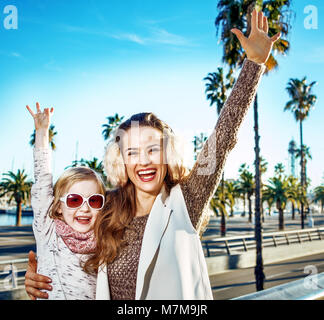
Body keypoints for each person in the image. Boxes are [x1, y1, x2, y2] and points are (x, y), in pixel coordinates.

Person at [25, 9, 281, 300]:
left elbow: (223, 139)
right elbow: (65, 239)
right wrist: (36, 276)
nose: (144, 160)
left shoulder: (187, 200)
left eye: (152, 149)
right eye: (132, 152)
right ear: (121, 160)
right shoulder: (106, 209)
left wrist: (253, 65)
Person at [26, 103, 106, 299]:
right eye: (74, 200)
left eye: (94, 201)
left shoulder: (105, 241)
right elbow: (43, 181)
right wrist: (43, 134)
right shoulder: (48, 232)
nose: (85, 208)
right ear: (58, 207)